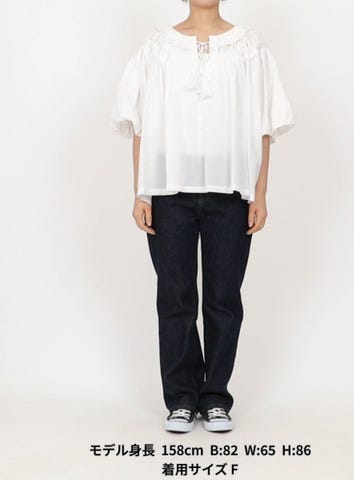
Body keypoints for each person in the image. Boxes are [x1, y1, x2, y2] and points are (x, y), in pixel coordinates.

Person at [110, 0, 295, 433]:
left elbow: (264, 125)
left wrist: (260, 193)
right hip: (169, 190)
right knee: (175, 298)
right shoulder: (157, 48)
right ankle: (180, 397)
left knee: (223, 299)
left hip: (230, 191)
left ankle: (215, 398)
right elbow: (140, 123)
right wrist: (141, 191)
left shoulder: (250, 48)